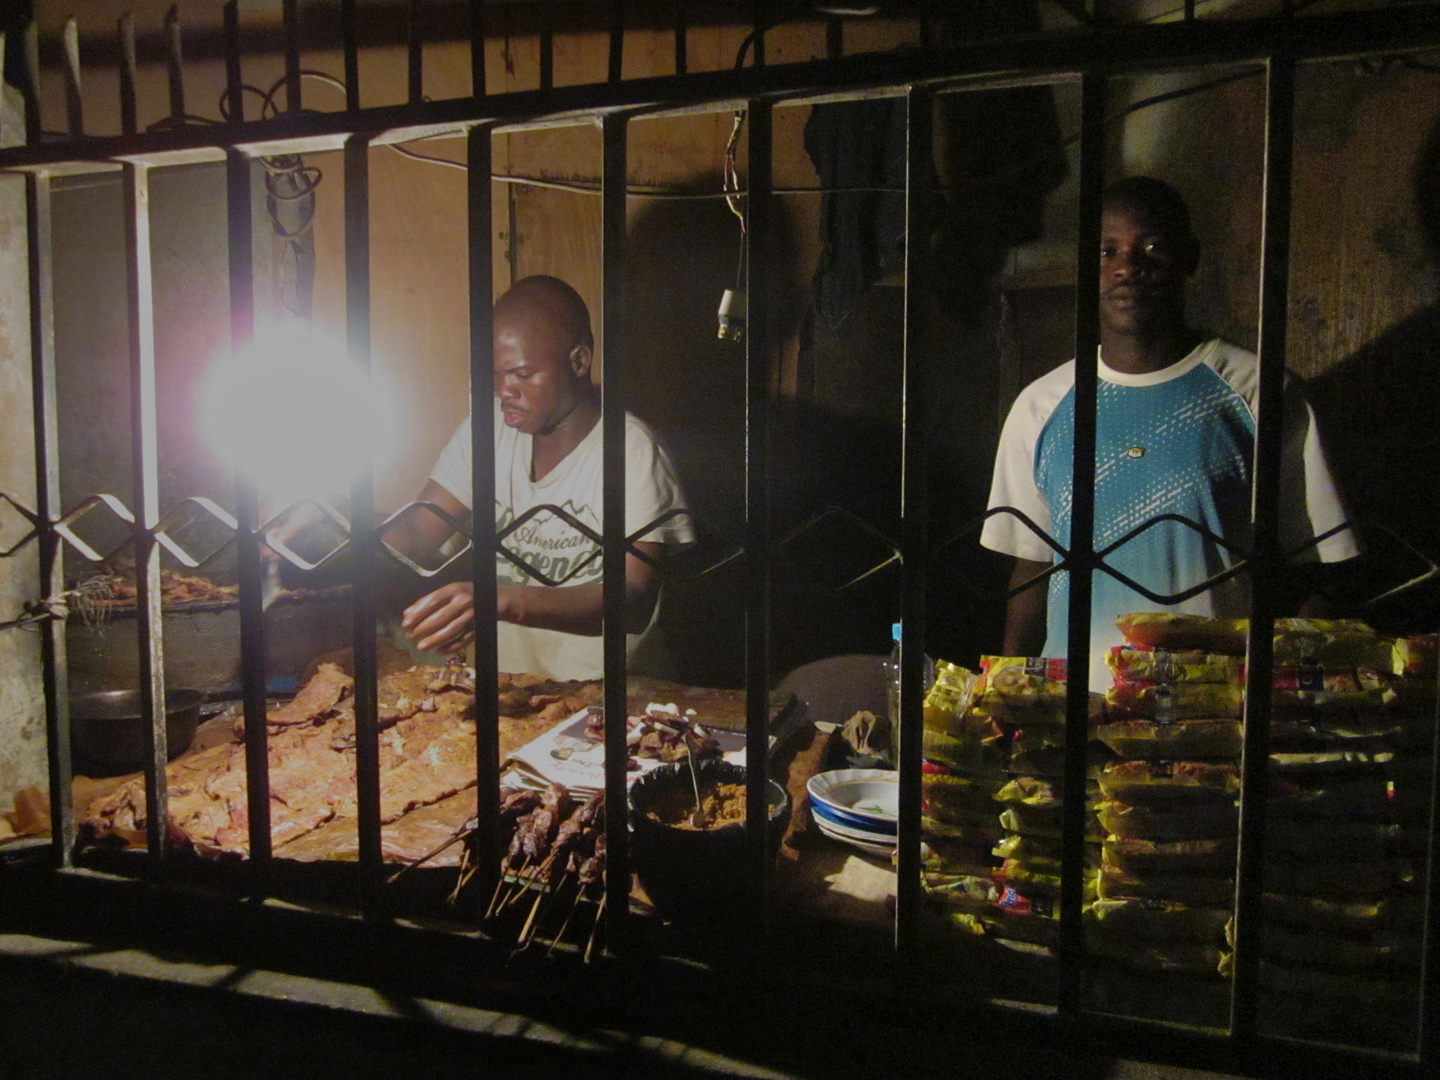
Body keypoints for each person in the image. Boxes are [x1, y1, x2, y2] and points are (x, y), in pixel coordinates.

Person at [979, 176, 1358, 687]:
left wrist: (1276, 694)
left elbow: (1319, 570)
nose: (1127, 267)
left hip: (1214, 716)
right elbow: (1031, 573)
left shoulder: (1259, 393)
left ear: (1190, 259)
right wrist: (1005, 693)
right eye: (1105, 250)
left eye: (1151, 247)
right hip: (1074, 715)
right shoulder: (1040, 406)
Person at [391, 275, 693, 681]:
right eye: (495, 375)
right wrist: (335, 535)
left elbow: (632, 600)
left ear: (579, 362)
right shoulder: (487, 432)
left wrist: (503, 601)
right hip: (511, 695)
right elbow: (413, 531)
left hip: (611, 698)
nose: (503, 391)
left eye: (522, 374)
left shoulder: (631, 451)